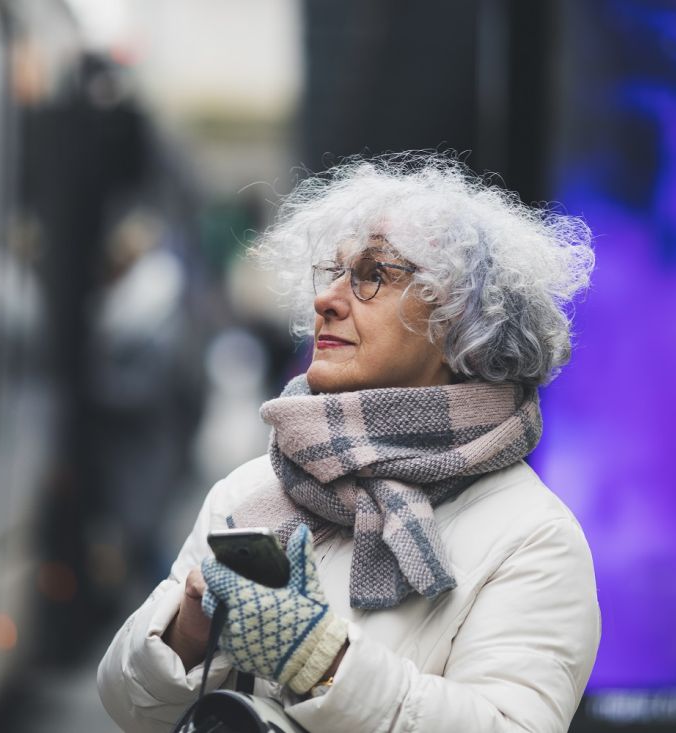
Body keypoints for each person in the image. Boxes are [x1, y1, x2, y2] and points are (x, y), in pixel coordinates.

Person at [97, 153, 600, 732]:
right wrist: (185, 632)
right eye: (330, 273)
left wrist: (324, 661)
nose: (326, 300)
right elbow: (123, 704)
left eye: (372, 275)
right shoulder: (250, 489)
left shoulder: (534, 538)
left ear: (461, 322)